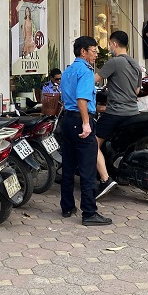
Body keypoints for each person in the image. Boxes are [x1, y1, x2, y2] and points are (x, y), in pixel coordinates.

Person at [59, 36, 112, 226]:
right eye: (93, 50)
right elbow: (82, 99)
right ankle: (89, 212)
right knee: (88, 169)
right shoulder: (86, 71)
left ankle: (67, 206)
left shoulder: (67, 71)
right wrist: (86, 123)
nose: (96, 54)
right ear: (83, 51)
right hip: (80, 120)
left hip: (67, 120)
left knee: (68, 166)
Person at [94, 30, 142, 200]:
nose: (109, 47)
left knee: (91, 144)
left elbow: (93, 80)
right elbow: (137, 91)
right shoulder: (135, 64)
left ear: (114, 44)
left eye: (110, 44)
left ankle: (105, 179)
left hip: (115, 113)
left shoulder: (114, 62)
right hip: (133, 112)